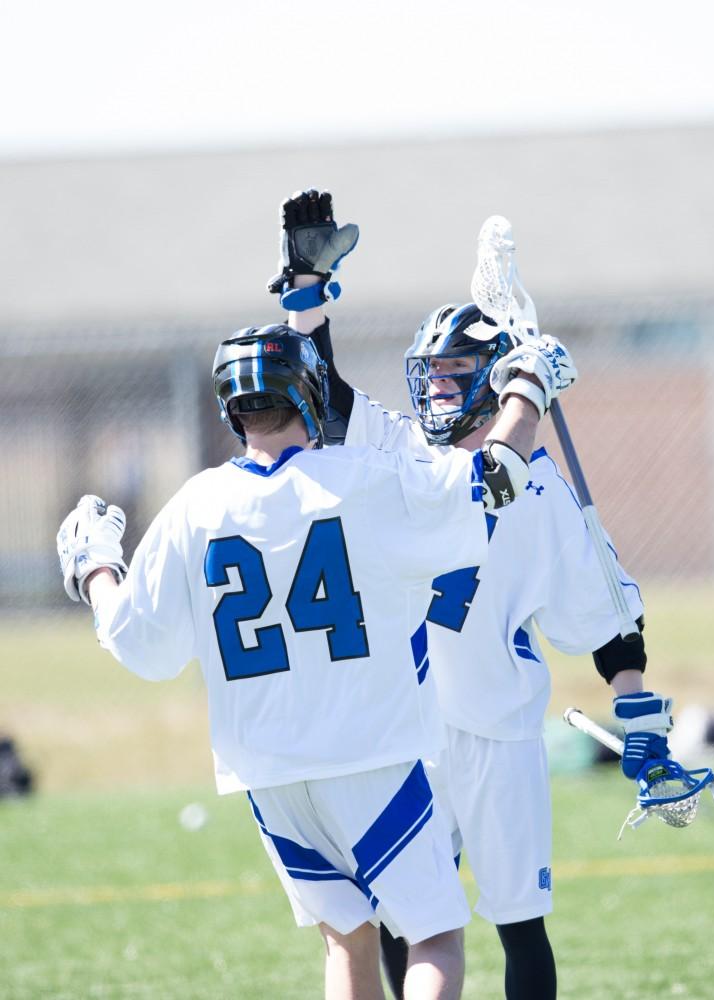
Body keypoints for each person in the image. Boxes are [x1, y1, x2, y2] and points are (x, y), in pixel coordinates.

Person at [56, 312, 573, 999]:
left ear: (231, 407)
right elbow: (498, 484)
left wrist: (95, 562)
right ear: (308, 390)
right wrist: (527, 387)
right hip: (369, 753)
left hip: (264, 770)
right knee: (434, 936)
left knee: (347, 939)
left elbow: (138, 645)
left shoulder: (195, 505)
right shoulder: (363, 478)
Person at [267, 190, 675, 1000]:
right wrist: (304, 295)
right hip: (407, 729)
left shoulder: (541, 489)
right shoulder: (400, 451)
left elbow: (604, 619)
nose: (441, 392)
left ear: (493, 380)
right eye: (433, 376)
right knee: (403, 917)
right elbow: (323, 388)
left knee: (517, 922)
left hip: (495, 727)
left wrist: (634, 708)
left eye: (458, 375)